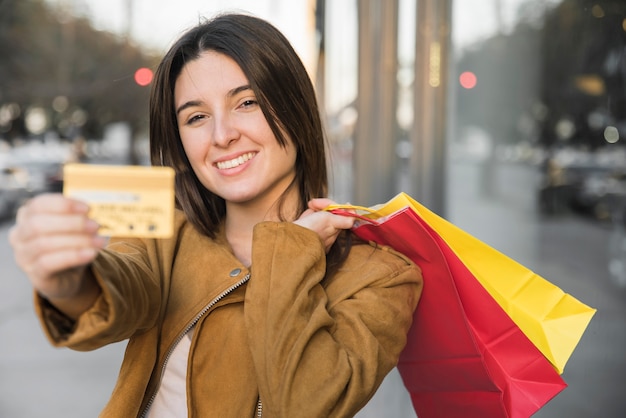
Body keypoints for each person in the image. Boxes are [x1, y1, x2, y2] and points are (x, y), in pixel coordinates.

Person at [8, 12, 423, 418]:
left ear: (295, 107)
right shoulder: (165, 234)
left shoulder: (381, 274)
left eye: (247, 102)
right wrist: (68, 281)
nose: (222, 135)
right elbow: (116, 290)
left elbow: (307, 405)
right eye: (197, 117)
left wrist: (292, 252)